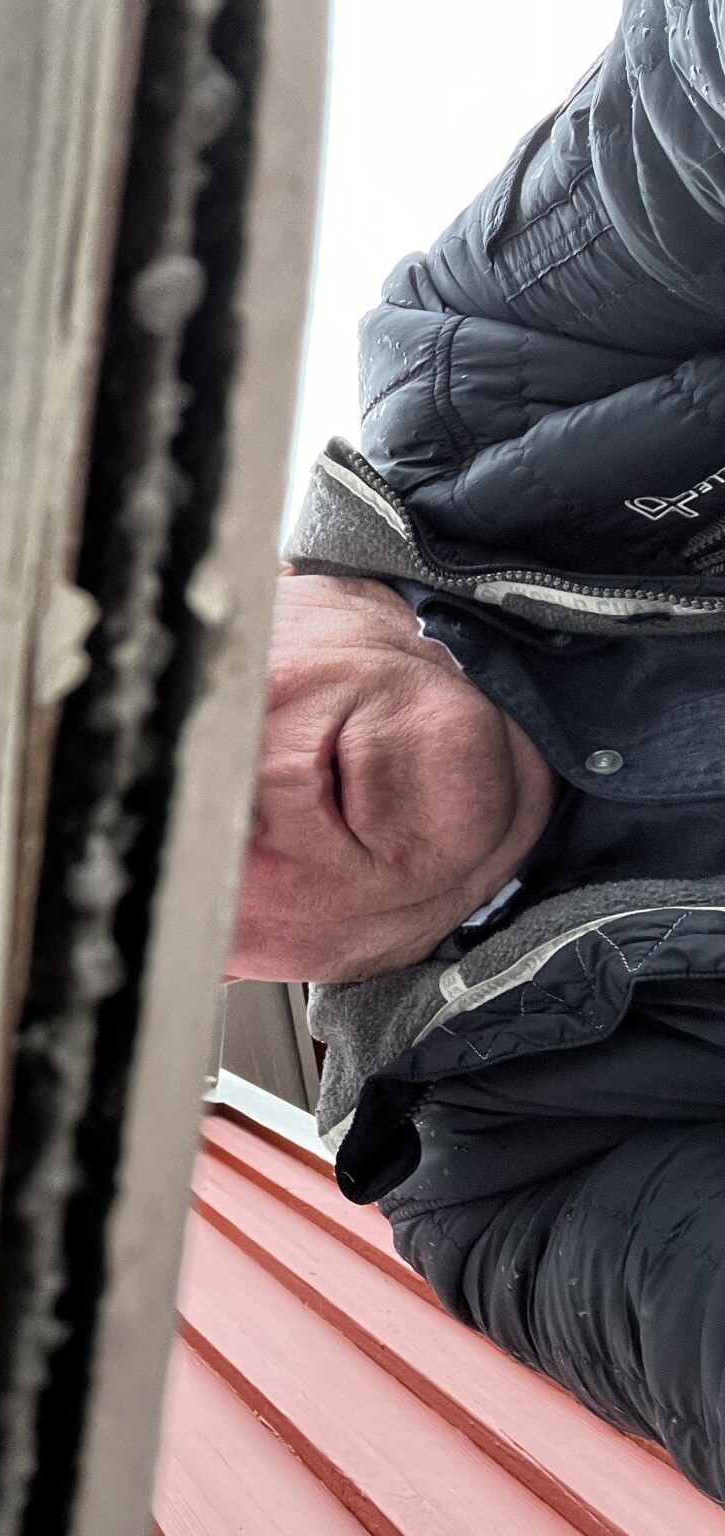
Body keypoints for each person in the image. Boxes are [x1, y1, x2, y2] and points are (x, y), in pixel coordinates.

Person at [231, 0, 725, 1501]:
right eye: (142, 882)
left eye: (150, 718)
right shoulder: (519, 1181)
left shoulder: (498, 369)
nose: (240, 796)